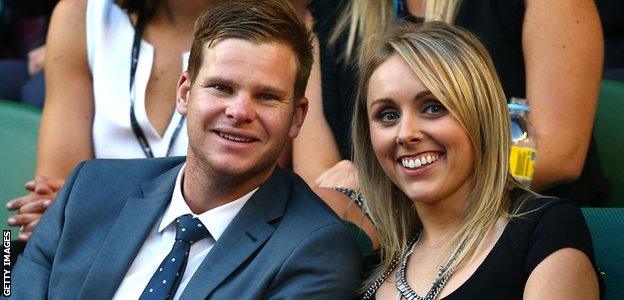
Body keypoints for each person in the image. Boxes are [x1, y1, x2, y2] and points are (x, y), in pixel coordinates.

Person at [12, 1, 362, 299]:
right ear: (184, 93)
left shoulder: (316, 250)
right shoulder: (88, 188)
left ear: (297, 117)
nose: (240, 112)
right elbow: (9, 281)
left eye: (266, 97)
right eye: (221, 88)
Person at [296, 0, 607, 236]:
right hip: (378, 235)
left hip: (516, 228)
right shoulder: (330, 10)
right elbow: (318, 178)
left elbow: (559, 153)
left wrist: (385, 183)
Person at [353, 22, 599, 299]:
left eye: (433, 108)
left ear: (481, 116)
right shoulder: (367, 260)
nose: (406, 134)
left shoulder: (544, 229)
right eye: (387, 115)